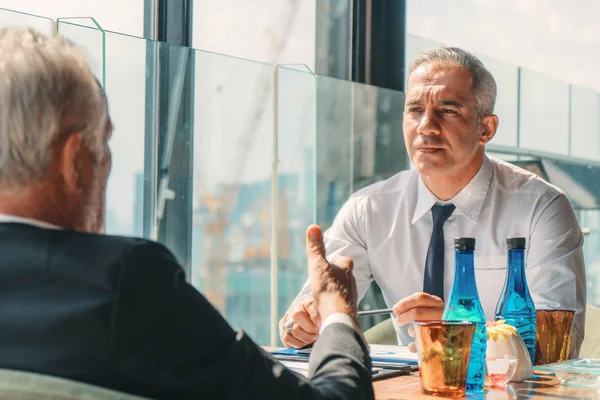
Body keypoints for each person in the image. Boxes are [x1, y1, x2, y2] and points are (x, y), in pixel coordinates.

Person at [0, 27, 375, 400]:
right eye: (105, 142)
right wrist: (338, 311)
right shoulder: (125, 282)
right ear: (74, 163)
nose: (108, 161)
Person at [281, 47, 587, 356]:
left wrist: (461, 331)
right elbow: (316, 309)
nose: (426, 126)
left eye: (448, 110)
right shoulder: (368, 210)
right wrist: (302, 324)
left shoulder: (541, 208)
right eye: (415, 110)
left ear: (486, 128)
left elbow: (558, 347)